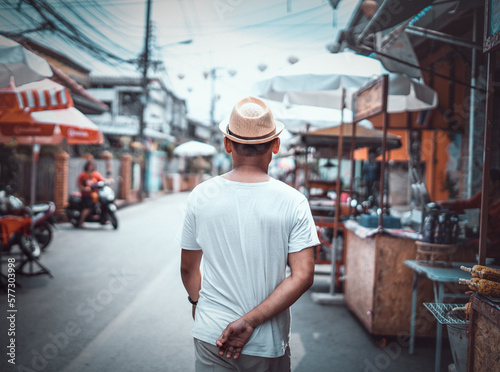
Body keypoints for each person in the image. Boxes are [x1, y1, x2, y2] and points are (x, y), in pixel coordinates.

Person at [179, 96, 320, 371]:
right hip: (264, 342)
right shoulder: (293, 201)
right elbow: (303, 275)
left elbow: (187, 269)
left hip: (211, 333)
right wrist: (251, 321)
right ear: (276, 145)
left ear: (227, 143)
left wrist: (197, 302)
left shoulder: (201, 195)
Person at [438, 169, 500, 261]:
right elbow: (467, 205)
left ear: (497, 183)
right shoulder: (483, 196)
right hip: (484, 251)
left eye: (487, 182)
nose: (484, 186)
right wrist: (448, 205)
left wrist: (483, 242)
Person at [77, 160, 105, 227]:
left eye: (92, 165)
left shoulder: (96, 174)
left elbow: (103, 180)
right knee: (88, 208)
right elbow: (79, 184)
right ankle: (81, 221)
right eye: (89, 165)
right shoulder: (83, 175)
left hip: (95, 195)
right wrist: (84, 189)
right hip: (86, 195)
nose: (91, 167)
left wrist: (108, 181)